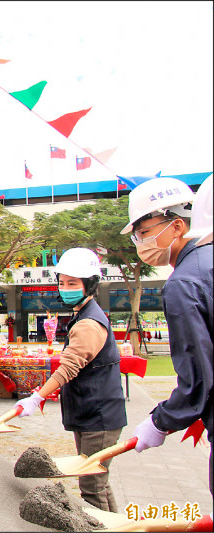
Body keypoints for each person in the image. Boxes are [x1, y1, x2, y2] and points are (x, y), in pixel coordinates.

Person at [120, 177, 212, 501]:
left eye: (144, 232)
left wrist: (160, 422)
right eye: (136, 235)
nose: (139, 242)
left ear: (176, 226)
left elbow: (198, 377)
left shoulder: (184, 283)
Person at [15, 248, 126, 512]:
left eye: (73, 283)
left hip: (98, 417)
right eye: (62, 283)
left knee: (92, 486)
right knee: (98, 482)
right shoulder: (84, 314)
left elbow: (68, 368)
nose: (65, 289)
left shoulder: (88, 323)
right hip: (94, 413)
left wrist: (37, 397)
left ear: (90, 285)